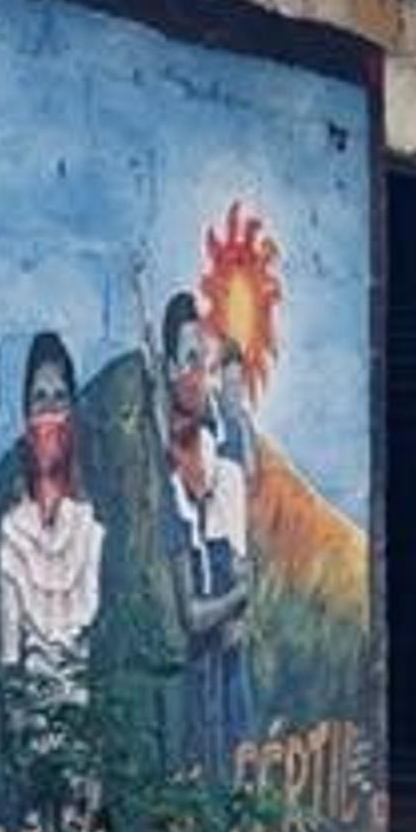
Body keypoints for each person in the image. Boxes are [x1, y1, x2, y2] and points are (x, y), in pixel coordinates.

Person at [161, 294, 255, 780]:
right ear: (168, 366)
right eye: (188, 360)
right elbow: (193, 614)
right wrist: (238, 595)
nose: (199, 375)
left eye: (206, 361)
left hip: (228, 659)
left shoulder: (221, 448)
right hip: (195, 673)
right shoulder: (167, 480)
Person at [0, 329, 103, 703]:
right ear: (26, 414)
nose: (50, 412)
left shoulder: (91, 524)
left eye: (60, 398)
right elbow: (10, 659)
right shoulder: (13, 529)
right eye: (39, 399)